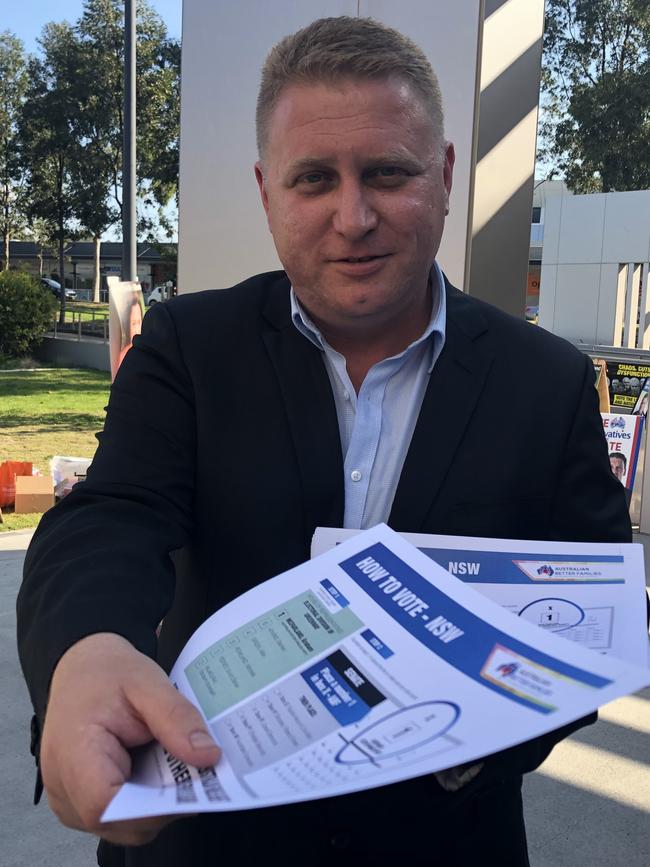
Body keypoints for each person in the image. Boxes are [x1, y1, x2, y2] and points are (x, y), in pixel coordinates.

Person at [17, 16, 630, 867]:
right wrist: (85, 650)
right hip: (206, 843)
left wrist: (477, 739)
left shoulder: (548, 380)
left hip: (446, 842)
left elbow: (587, 620)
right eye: (314, 179)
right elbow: (113, 515)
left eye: (387, 172)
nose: (353, 217)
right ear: (268, 191)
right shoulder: (190, 347)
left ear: (446, 174)